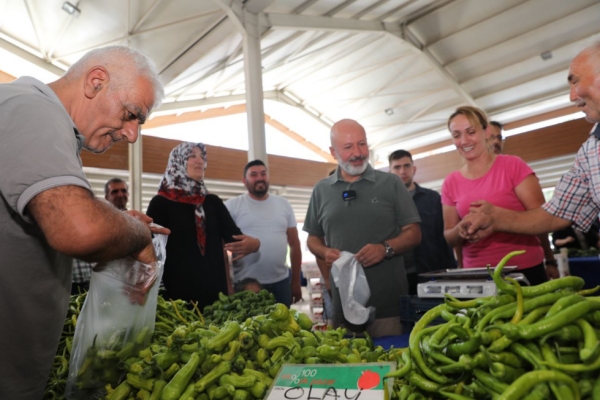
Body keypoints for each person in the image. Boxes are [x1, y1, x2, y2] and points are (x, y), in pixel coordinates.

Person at [0, 45, 169, 399]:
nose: (132, 134)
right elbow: (78, 229)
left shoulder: (51, 127)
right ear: (96, 81)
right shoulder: (32, 111)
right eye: (130, 113)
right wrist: (137, 236)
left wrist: (116, 226)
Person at [458, 41, 600, 258]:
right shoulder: (590, 152)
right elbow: (555, 213)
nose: (572, 96)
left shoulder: (513, 165)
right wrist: (495, 220)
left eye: (576, 82)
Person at [303, 119, 421, 338]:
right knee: (348, 368)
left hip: (388, 308)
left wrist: (385, 249)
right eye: (348, 147)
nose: (358, 153)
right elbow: (313, 239)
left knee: (392, 366)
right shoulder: (321, 190)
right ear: (333, 151)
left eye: (362, 144)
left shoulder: (391, 183)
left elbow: (414, 233)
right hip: (344, 308)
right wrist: (325, 252)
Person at [441, 106, 558, 285]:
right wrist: (462, 229)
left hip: (523, 269)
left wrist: (496, 216)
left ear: (486, 131)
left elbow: (543, 219)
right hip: (477, 274)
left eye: (470, 132)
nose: (464, 141)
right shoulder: (451, 182)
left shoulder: (513, 166)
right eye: (456, 135)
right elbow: (449, 236)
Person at [146, 142, 260, 309]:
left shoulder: (212, 202)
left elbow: (234, 238)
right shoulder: (161, 203)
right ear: (177, 162)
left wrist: (255, 244)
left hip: (215, 296)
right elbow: (149, 247)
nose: (199, 161)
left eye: (202, 157)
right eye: (192, 156)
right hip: (177, 298)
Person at [225, 160, 302, 307]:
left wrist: (296, 281)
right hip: (246, 285)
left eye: (263, 174)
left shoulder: (284, 204)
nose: (259, 178)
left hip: (281, 282)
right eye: (253, 175)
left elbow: (294, 244)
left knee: (284, 328)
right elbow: (221, 247)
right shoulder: (232, 206)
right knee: (249, 328)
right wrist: (228, 286)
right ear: (244, 181)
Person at [388, 150, 456, 294]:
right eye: (397, 167)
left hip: (431, 274)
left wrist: (451, 273)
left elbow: (444, 238)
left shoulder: (432, 199)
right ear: (390, 172)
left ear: (414, 169)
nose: (402, 171)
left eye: (406, 166)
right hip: (398, 276)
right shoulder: (385, 204)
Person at [72, 177, 131, 294]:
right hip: (89, 283)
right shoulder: (98, 222)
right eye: (115, 192)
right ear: (106, 197)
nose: (120, 194)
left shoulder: (135, 223)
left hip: (124, 284)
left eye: (123, 191)